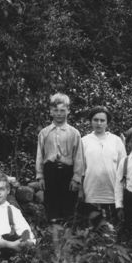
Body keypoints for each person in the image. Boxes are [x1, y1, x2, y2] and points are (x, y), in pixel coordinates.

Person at [35, 92, 85, 224]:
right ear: (50, 111)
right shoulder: (44, 133)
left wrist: (76, 178)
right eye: (55, 110)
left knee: (68, 203)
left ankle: (67, 232)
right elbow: (40, 155)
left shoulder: (74, 133)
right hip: (50, 171)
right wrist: (40, 176)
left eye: (62, 110)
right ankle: (52, 231)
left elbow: (79, 157)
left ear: (68, 111)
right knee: (51, 202)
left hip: (67, 171)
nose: (59, 113)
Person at [78, 106, 126, 228]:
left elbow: (123, 168)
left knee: (111, 230)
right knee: (93, 230)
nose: (99, 123)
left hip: (112, 194)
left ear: (107, 122)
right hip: (91, 192)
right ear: (90, 121)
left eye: (102, 120)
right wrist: (81, 190)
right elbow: (80, 169)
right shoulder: (84, 141)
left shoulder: (116, 141)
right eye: (95, 120)